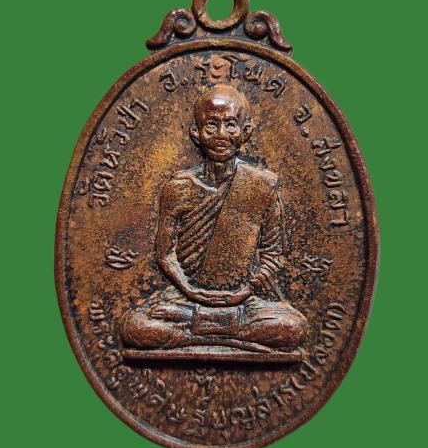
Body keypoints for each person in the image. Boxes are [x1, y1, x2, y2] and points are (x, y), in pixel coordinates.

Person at [121, 84, 307, 351]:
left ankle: (197, 333)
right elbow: (165, 255)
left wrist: (244, 292)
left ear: (246, 131)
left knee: (293, 327)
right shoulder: (178, 187)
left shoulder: (261, 185)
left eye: (230, 125)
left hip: (243, 300)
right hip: (185, 297)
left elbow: (273, 254)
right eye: (211, 125)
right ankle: (227, 333)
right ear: (195, 133)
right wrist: (191, 291)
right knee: (134, 327)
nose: (221, 135)